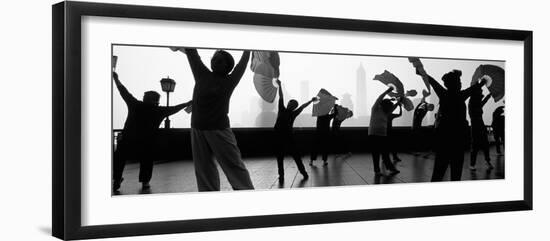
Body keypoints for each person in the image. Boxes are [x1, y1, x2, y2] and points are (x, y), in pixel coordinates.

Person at [174, 47, 254, 191]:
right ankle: (209, 197)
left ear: (227, 66)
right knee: (203, 169)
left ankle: (246, 192)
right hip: (197, 129)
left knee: (233, 164)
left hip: (219, 130)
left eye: (219, 60)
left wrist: (248, 48)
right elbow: (193, 54)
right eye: (214, 59)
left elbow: (242, 63)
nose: (215, 62)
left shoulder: (230, 80)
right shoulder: (201, 73)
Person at [112, 72, 192, 192]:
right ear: (157, 101)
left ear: (145, 98)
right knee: (147, 160)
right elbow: (175, 108)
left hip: (128, 140)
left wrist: (116, 78)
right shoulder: (159, 111)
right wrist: (187, 103)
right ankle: (145, 182)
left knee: (120, 158)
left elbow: (123, 91)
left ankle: (117, 179)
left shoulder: (135, 104)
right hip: (146, 142)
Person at [426, 70, 486, 181]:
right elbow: (472, 89)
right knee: (456, 173)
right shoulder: (460, 95)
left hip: (444, 140)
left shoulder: (444, 94)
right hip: (457, 140)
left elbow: (433, 82)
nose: (460, 83)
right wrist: (481, 84)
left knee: (439, 172)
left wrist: (423, 73)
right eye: (458, 81)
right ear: (453, 84)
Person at [273, 79, 315, 181]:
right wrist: (280, 86)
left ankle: (303, 172)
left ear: (294, 107)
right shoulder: (281, 108)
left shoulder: (293, 113)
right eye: (291, 103)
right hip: (279, 137)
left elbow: (302, 107)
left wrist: (310, 101)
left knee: (296, 156)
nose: (291, 105)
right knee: (280, 157)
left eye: (293, 105)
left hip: (288, 137)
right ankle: (281, 175)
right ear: (288, 104)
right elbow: (281, 96)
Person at [368, 87, 400, 176]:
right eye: (388, 105)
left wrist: (399, 101)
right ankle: (377, 170)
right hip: (373, 135)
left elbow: (394, 107)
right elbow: (379, 98)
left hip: (382, 135)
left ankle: (391, 168)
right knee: (376, 153)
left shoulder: (386, 112)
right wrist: (387, 91)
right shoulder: (375, 109)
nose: (390, 108)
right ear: (384, 105)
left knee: (385, 153)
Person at [468, 88, 493, 170]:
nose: (481, 93)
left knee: (485, 144)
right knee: (475, 145)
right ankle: (472, 164)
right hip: (475, 125)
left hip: (480, 124)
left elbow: (483, 102)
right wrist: (487, 96)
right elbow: (481, 102)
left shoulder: (476, 102)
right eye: (480, 91)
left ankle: (487, 161)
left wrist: (488, 96)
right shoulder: (472, 103)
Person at [387, 98, 403, 163]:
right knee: (393, 145)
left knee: (386, 145)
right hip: (389, 131)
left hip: (385, 131)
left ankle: (384, 158)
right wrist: (400, 107)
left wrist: (390, 100)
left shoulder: (386, 114)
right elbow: (400, 114)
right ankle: (394, 157)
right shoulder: (391, 115)